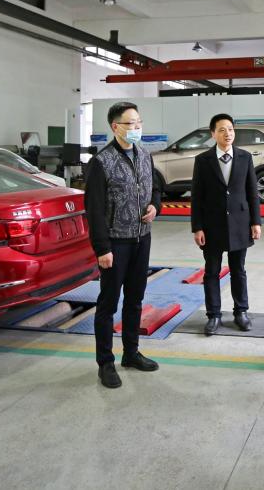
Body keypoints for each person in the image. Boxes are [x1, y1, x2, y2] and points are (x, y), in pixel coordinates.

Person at [84, 101, 161, 389]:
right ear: (115, 127)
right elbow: (94, 210)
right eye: (131, 123)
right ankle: (105, 363)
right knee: (108, 304)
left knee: (135, 300)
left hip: (142, 238)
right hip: (116, 243)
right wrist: (102, 249)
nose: (137, 127)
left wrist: (155, 206)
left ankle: (131, 353)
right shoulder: (101, 162)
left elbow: (155, 188)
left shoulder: (144, 154)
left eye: (139, 122)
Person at [190, 113, 262, 335]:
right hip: (212, 225)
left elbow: (252, 192)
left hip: (240, 223)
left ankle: (241, 312)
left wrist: (256, 222)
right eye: (221, 130)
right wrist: (197, 227)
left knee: (238, 270)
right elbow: (197, 196)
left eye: (230, 129)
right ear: (213, 134)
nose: (227, 133)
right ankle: (214, 315)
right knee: (211, 271)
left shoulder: (245, 157)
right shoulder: (203, 160)